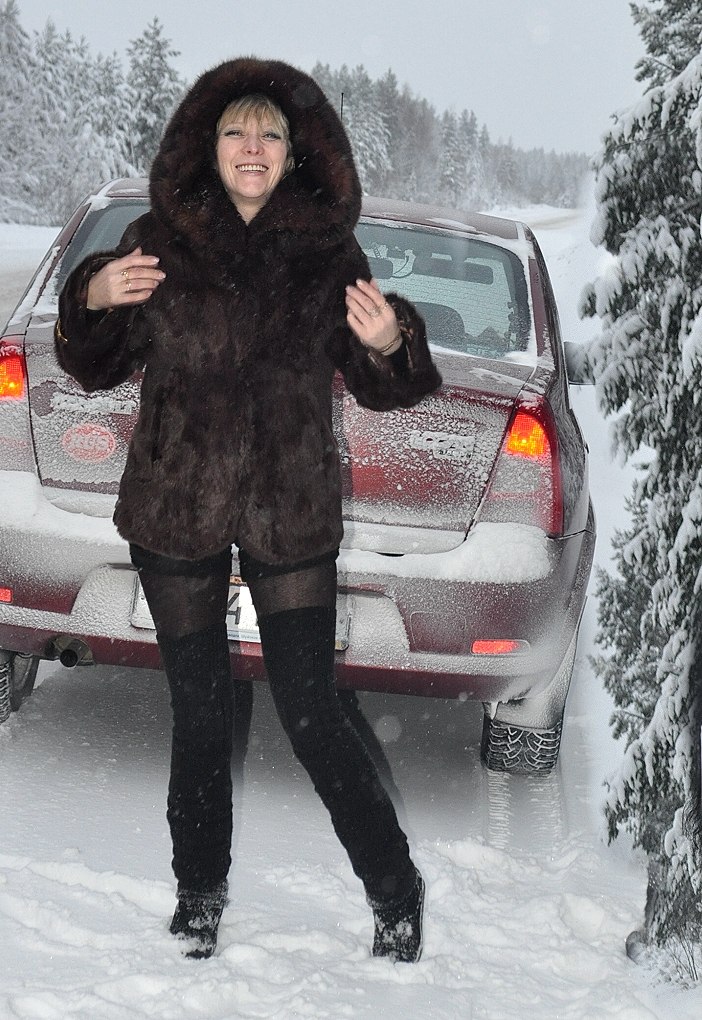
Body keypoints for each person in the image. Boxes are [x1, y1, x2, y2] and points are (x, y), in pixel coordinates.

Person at [55, 57, 442, 962]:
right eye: (236, 130)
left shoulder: (329, 254)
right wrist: (92, 296)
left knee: (310, 712)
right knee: (199, 715)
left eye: (270, 131)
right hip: (176, 502)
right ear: (210, 145)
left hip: (288, 506)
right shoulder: (158, 240)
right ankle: (199, 896)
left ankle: (396, 889)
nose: (253, 146)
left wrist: (393, 340)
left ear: (295, 150)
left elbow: (385, 385)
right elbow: (93, 364)